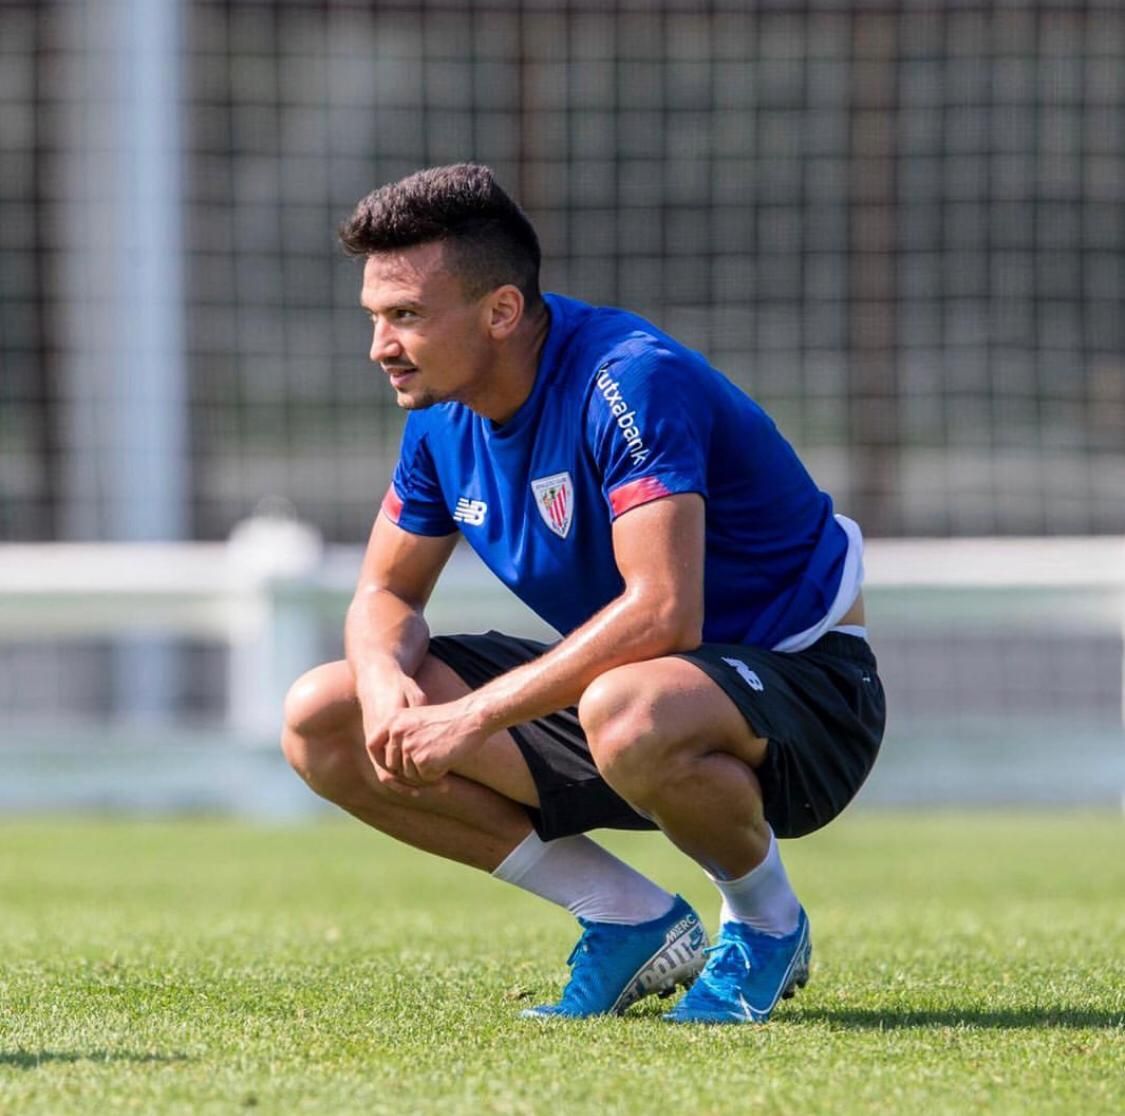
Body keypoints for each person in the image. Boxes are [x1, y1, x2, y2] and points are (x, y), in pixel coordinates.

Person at [281, 163, 885, 1024]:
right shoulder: (437, 415)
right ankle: (626, 917)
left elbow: (661, 611)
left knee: (626, 707)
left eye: (406, 316)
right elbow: (384, 592)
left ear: (499, 311)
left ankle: (765, 921)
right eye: (376, 317)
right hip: (634, 690)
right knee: (325, 715)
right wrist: (385, 689)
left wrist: (467, 718)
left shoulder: (630, 378)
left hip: (807, 691)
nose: (380, 345)